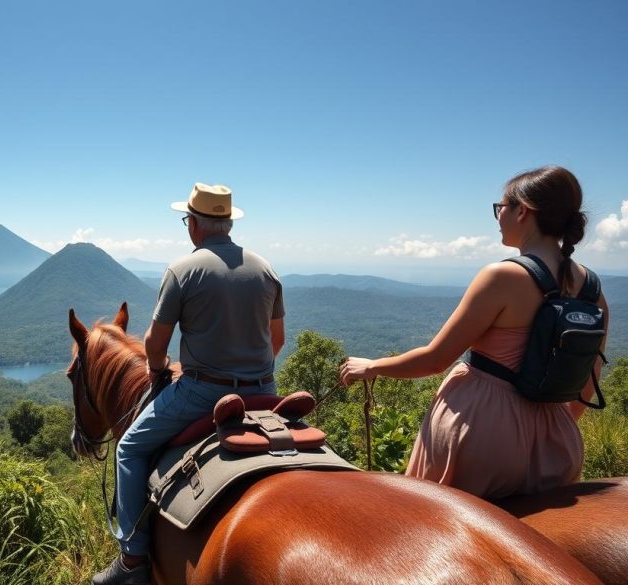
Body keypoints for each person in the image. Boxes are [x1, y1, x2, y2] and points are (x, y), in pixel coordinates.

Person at [338, 165, 609, 499]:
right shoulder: (593, 291)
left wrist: (371, 366)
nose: (498, 217)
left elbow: (436, 359)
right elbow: (588, 381)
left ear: (522, 211)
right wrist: (547, 431)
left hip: (485, 434)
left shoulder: (502, 277)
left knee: (433, 524)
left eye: (501, 207)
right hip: (557, 442)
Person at [92, 183, 285, 585]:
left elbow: (155, 344)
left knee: (128, 449)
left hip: (202, 392)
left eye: (187, 221)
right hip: (265, 391)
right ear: (228, 223)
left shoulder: (182, 271)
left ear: (194, 224)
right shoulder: (265, 269)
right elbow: (277, 341)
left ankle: (132, 560)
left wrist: (157, 368)